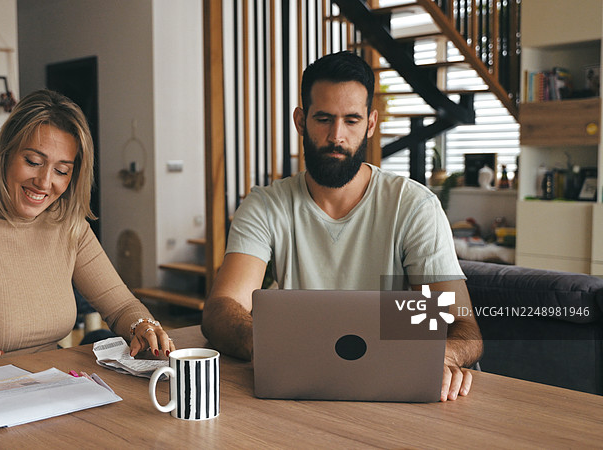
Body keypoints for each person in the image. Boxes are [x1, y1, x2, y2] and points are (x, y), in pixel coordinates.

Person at [201, 51, 482, 402]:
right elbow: (221, 306)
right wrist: (262, 343)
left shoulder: (413, 206)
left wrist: (439, 357)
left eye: (351, 120)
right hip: (298, 388)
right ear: (301, 121)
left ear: (370, 124)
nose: (337, 136)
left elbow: (464, 327)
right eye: (323, 119)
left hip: (391, 389)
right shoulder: (265, 204)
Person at [0, 89, 174, 382]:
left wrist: (143, 326)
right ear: (5, 154)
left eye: (61, 170)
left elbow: (121, 306)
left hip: (52, 388)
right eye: (32, 161)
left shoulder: (69, 225)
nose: (44, 182)